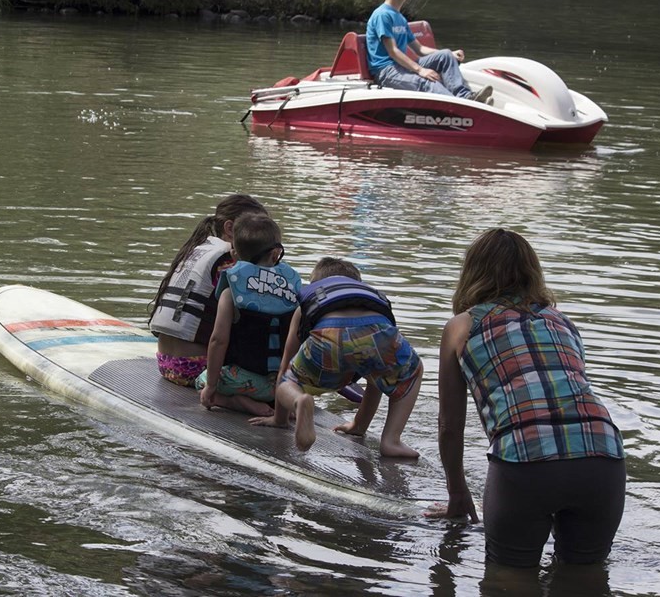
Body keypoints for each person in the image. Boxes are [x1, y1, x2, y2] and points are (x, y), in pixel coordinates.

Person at [429, 228, 626, 568]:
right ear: (533, 272)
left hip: (525, 460)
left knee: (508, 582)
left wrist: (457, 495)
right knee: (585, 580)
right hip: (603, 455)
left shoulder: (461, 326)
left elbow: (450, 425)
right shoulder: (562, 322)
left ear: (471, 273)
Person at [250, 257, 422, 457]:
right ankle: (391, 440)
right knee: (407, 373)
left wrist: (280, 420)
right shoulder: (368, 298)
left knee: (288, 381)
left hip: (328, 334)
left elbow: (286, 362)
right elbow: (376, 383)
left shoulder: (310, 301)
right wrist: (358, 426)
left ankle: (299, 401)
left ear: (316, 283)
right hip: (378, 333)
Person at [149, 194, 267, 388]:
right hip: (196, 368)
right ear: (230, 228)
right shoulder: (229, 260)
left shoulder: (198, 249)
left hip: (166, 363)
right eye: (255, 229)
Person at [197, 213, 301, 416]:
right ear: (276, 254)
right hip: (283, 385)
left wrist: (210, 385)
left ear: (235, 255)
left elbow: (218, 340)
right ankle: (281, 405)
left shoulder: (231, 292)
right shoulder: (293, 290)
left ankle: (233, 402)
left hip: (242, 382)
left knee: (200, 380)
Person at [365, 0, 493, 103]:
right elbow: (393, 51)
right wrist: (420, 70)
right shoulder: (382, 15)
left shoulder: (400, 18)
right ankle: (463, 106)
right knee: (427, 81)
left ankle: (465, 97)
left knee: (445, 55)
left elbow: (419, 49)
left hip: (400, 66)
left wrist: (450, 53)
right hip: (386, 72)